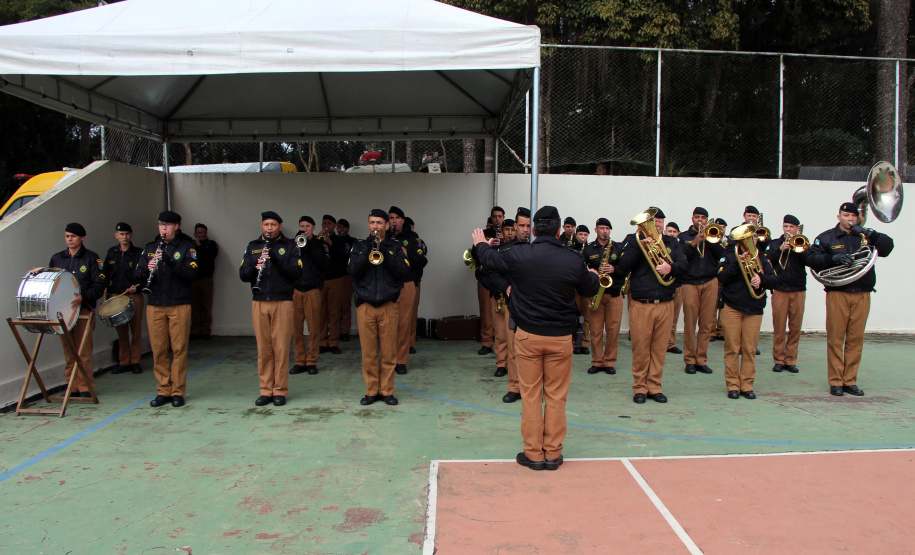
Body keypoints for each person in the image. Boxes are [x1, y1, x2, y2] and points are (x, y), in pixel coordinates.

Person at [472, 206, 600, 471]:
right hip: (561, 338)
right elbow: (589, 289)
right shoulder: (573, 258)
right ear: (558, 230)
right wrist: (594, 276)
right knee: (556, 397)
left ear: (533, 230)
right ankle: (552, 453)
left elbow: (489, 260)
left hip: (528, 336)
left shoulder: (520, 254)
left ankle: (533, 454)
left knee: (530, 396)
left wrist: (480, 243)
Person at [807, 202, 894, 396]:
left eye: (853, 216)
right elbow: (811, 259)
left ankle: (850, 381)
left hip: (862, 293)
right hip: (838, 293)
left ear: (858, 218)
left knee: (856, 339)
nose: (850, 219)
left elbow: (888, 247)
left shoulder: (865, 236)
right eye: (846, 215)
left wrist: (871, 234)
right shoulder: (826, 237)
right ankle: (836, 381)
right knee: (836, 338)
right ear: (839, 217)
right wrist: (833, 259)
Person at [619, 207, 687, 403]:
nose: (656, 224)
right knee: (641, 348)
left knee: (659, 349)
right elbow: (622, 267)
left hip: (665, 303)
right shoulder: (634, 240)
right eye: (653, 221)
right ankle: (640, 387)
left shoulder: (672, 242)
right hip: (642, 304)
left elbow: (684, 266)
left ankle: (655, 386)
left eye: (659, 221)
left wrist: (670, 267)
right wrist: (639, 248)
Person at [348, 209, 411, 406]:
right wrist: (368, 252)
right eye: (372, 222)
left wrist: (385, 252)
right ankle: (371, 391)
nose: (375, 226)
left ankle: (387, 391)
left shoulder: (396, 246)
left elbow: (403, 271)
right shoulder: (359, 246)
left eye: (379, 222)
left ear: (386, 225)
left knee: (389, 352)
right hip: (365, 306)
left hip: (388, 305)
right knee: (368, 353)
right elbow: (352, 270)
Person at [135, 211, 198, 408]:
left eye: (168, 225)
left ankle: (178, 391)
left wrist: (169, 261)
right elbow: (137, 275)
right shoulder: (150, 248)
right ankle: (163, 390)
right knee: (159, 349)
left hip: (179, 303)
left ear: (177, 226)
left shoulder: (187, 248)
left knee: (179, 349)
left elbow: (192, 274)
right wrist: (147, 269)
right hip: (155, 303)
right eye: (161, 224)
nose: (164, 228)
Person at [239, 212, 302, 406]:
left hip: (282, 301)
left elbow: (296, 272)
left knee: (280, 348)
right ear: (262, 226)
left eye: (273, 225)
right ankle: (265, 390)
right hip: (259, 301)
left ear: (280, 226)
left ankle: (279, 390)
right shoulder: (253, 246)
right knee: (264, 349)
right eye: (266, 224)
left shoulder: (290, 246)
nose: (269, 228)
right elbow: (243, 274)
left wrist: (275, 259)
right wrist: (255, 269)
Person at [718, 225, 780, 399]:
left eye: (753, 237)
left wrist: (761, 279)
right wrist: (738, 264)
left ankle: (747, 385)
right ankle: (733, 385)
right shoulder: (730, 254)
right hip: (732, 307)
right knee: (732, 348)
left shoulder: (762, 257)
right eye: (747, 238)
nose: (751, 241)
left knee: (749, 349)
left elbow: (774, 279)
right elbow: (722, 277)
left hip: (754, 308)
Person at [48, 223, 105, 397]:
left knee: (83, 350)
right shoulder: (57, 258)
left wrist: (84, 296)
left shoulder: (91, 258)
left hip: (83, 310)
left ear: (82, 238)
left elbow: (100, 284)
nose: (70, 240)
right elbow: (51, 283)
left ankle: (85, 386)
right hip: (63, 312)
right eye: (67, 236)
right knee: (69, 350)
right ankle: (72, 386)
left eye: (73, 236)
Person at [677, 208, 724, 375]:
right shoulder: (683, 237)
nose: (700, 220)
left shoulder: (714, 235)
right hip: (690, 283)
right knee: (690, 323)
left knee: (706, 324)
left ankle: (701, 359)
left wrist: (712, 241)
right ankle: (689, 360)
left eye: (703, 218)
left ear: (707, 220)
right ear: (692, 219)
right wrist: (694, 243)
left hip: (710, 281)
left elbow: (721, 255)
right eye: (697, 217)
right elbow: (680, 258)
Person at [764, 215, 809, 374]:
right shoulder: (775, 244)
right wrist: (780, 250)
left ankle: (791, 360)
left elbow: (810, 260)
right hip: (780, 289)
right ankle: (778, 360)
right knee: (779, 327)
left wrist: (798, 248)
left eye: (791, 227)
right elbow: (766, 261)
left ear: (797, 228)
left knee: (795, 327)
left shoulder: (803, 243)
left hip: (798, 290)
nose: (788, 229)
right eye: (786, 226)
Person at [582, 218, 625, 375]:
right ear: (596, 230)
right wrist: (589, 272)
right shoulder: (588, 249)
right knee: (595, 331)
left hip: (614, 294)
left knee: (613, 331)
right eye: (602, 228)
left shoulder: (618, 248)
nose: (605, 231)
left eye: (607, 228)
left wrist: (615, 269)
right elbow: (581, 267)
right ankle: (597, 361)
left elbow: (626, 268)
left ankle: (609, 362)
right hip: (596, 295)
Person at [388, 206, 427, 373]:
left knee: (404, 323)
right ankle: (388, 359)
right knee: (388, 324)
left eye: (397, 218)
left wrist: (403, 250)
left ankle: (401, 360)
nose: (394, 221)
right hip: (387, 285)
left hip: (406, 283)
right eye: (391, 218)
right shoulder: (384, 237)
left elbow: (422, 261)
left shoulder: (412, 238)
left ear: (403, 220)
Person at [103, 222, 145, 375]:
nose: (125, 237)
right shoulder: (111, 253)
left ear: (131, 235)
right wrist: (105, 288)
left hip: (134, 296)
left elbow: (145, 275)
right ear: (116, 235)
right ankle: (124, 361)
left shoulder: (138, 253)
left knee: (136, 330)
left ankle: (135, 361)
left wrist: (137, 288)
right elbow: (105, 274)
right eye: (121, 234)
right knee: (121, 332)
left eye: (127, 234)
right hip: (117, 297)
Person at [290, 216, 328, 376]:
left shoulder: (319, 244)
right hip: (296, 290)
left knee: (314, 329)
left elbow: (324, 265)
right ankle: (300, 361)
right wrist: (298, 246)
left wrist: (309, 246)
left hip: (312, 290)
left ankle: (312, 361)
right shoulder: (293, 244)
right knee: (296, 329)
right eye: (302, 226)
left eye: (307, 226)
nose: (304, 229)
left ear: (313, 227)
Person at [477, 206, 504, 355]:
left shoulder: (507, 232)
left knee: (502, 314)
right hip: (486, 278)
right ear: (491, 218)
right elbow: (475, 253)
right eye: (495, 216)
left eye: (500, 216)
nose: (497, 219)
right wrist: (487, 246)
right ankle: (487, 343)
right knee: (486, 313)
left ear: (503, 217)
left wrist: (503, 240)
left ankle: (501, 345)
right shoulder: (484, 234)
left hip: (502, 279)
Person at [317, 215, 346, 355]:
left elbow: (343, 256)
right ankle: (323, 341)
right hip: (321, 280)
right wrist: (318, 241)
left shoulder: (339, 240)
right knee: (321, 313)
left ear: (334, 225)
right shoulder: (318, 240)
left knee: (334, 312)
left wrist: (329, 242)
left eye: (329, 223)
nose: (326, 226)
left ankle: (333, 342)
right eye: (324, 223)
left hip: (336, 279)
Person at [404, 215, 428, 354]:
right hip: (393, 283)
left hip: (412, 281)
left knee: (411, 315)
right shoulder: (391, 239)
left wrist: (405, 251)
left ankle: (410, 343)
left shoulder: (417, 241)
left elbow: (422, 261)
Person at [190, 223, 219, 340]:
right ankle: (195, 330)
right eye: (199, 232)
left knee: (206, 304)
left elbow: (210, 256)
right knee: (195, 306)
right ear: (195, 234)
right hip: (194, 279)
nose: (202, 234)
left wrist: (200, 245)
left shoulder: (211, 244)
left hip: (207, 278)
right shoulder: (190, 246)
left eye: (204, 232)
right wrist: (195, 245)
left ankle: (206, 330)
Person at [336, 218, 357, 341]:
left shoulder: (352, 241)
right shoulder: (333, 240)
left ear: (348, 228)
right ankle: (335, 330)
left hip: (347, 276)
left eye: (343, 227)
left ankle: (345, 331)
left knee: (345, 304)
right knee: (334, 306)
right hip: (334, 276)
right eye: (339, 227)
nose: (341, 229)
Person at [664, 222, 683, 355]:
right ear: (665, 232)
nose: (671, 234)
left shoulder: (680, 246)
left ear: (678, 234)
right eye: (669, 231)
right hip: (664, 286)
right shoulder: (662, 244)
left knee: (674, 318)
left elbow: (683, 264)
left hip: (677, 285)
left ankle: (670, 344)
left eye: (674, 232)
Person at [572, 224, 591, 355]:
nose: (583, 237)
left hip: (586, 286)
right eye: (580, 234)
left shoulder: (589, 249)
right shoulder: (571, 249)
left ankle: (584, 342)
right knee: (574, 315)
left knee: (586, 316)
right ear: (576, 235)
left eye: (585, 235)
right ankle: (574, 343)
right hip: (574, 287)